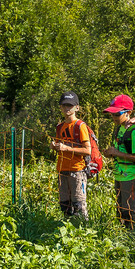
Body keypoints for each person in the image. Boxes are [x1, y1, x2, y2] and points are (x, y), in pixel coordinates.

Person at [48, 92, 92, 222]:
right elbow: (61, 146)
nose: (67, 108)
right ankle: (66, 230)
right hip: (62, 170)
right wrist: (54, 147)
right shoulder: (60, 127)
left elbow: (87, 150)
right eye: (64, 105)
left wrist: (66, 148)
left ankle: (83, 231)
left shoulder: (80, 126)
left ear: (76, 108)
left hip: (77, 170)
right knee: (65, 205)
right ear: (60, 107)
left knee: (79, 205)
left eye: (70, 106)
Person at [105, 95, 135, 231]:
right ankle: (122, 239)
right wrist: (111, 153)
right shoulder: (119, 129)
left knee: (130, 211)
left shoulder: (134, 131)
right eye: (112, 114)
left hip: (131, 177)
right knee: (121, 211)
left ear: (128, 113)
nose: (114, 117)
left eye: (117, 114)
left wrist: (117, 153)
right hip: (119, 175)